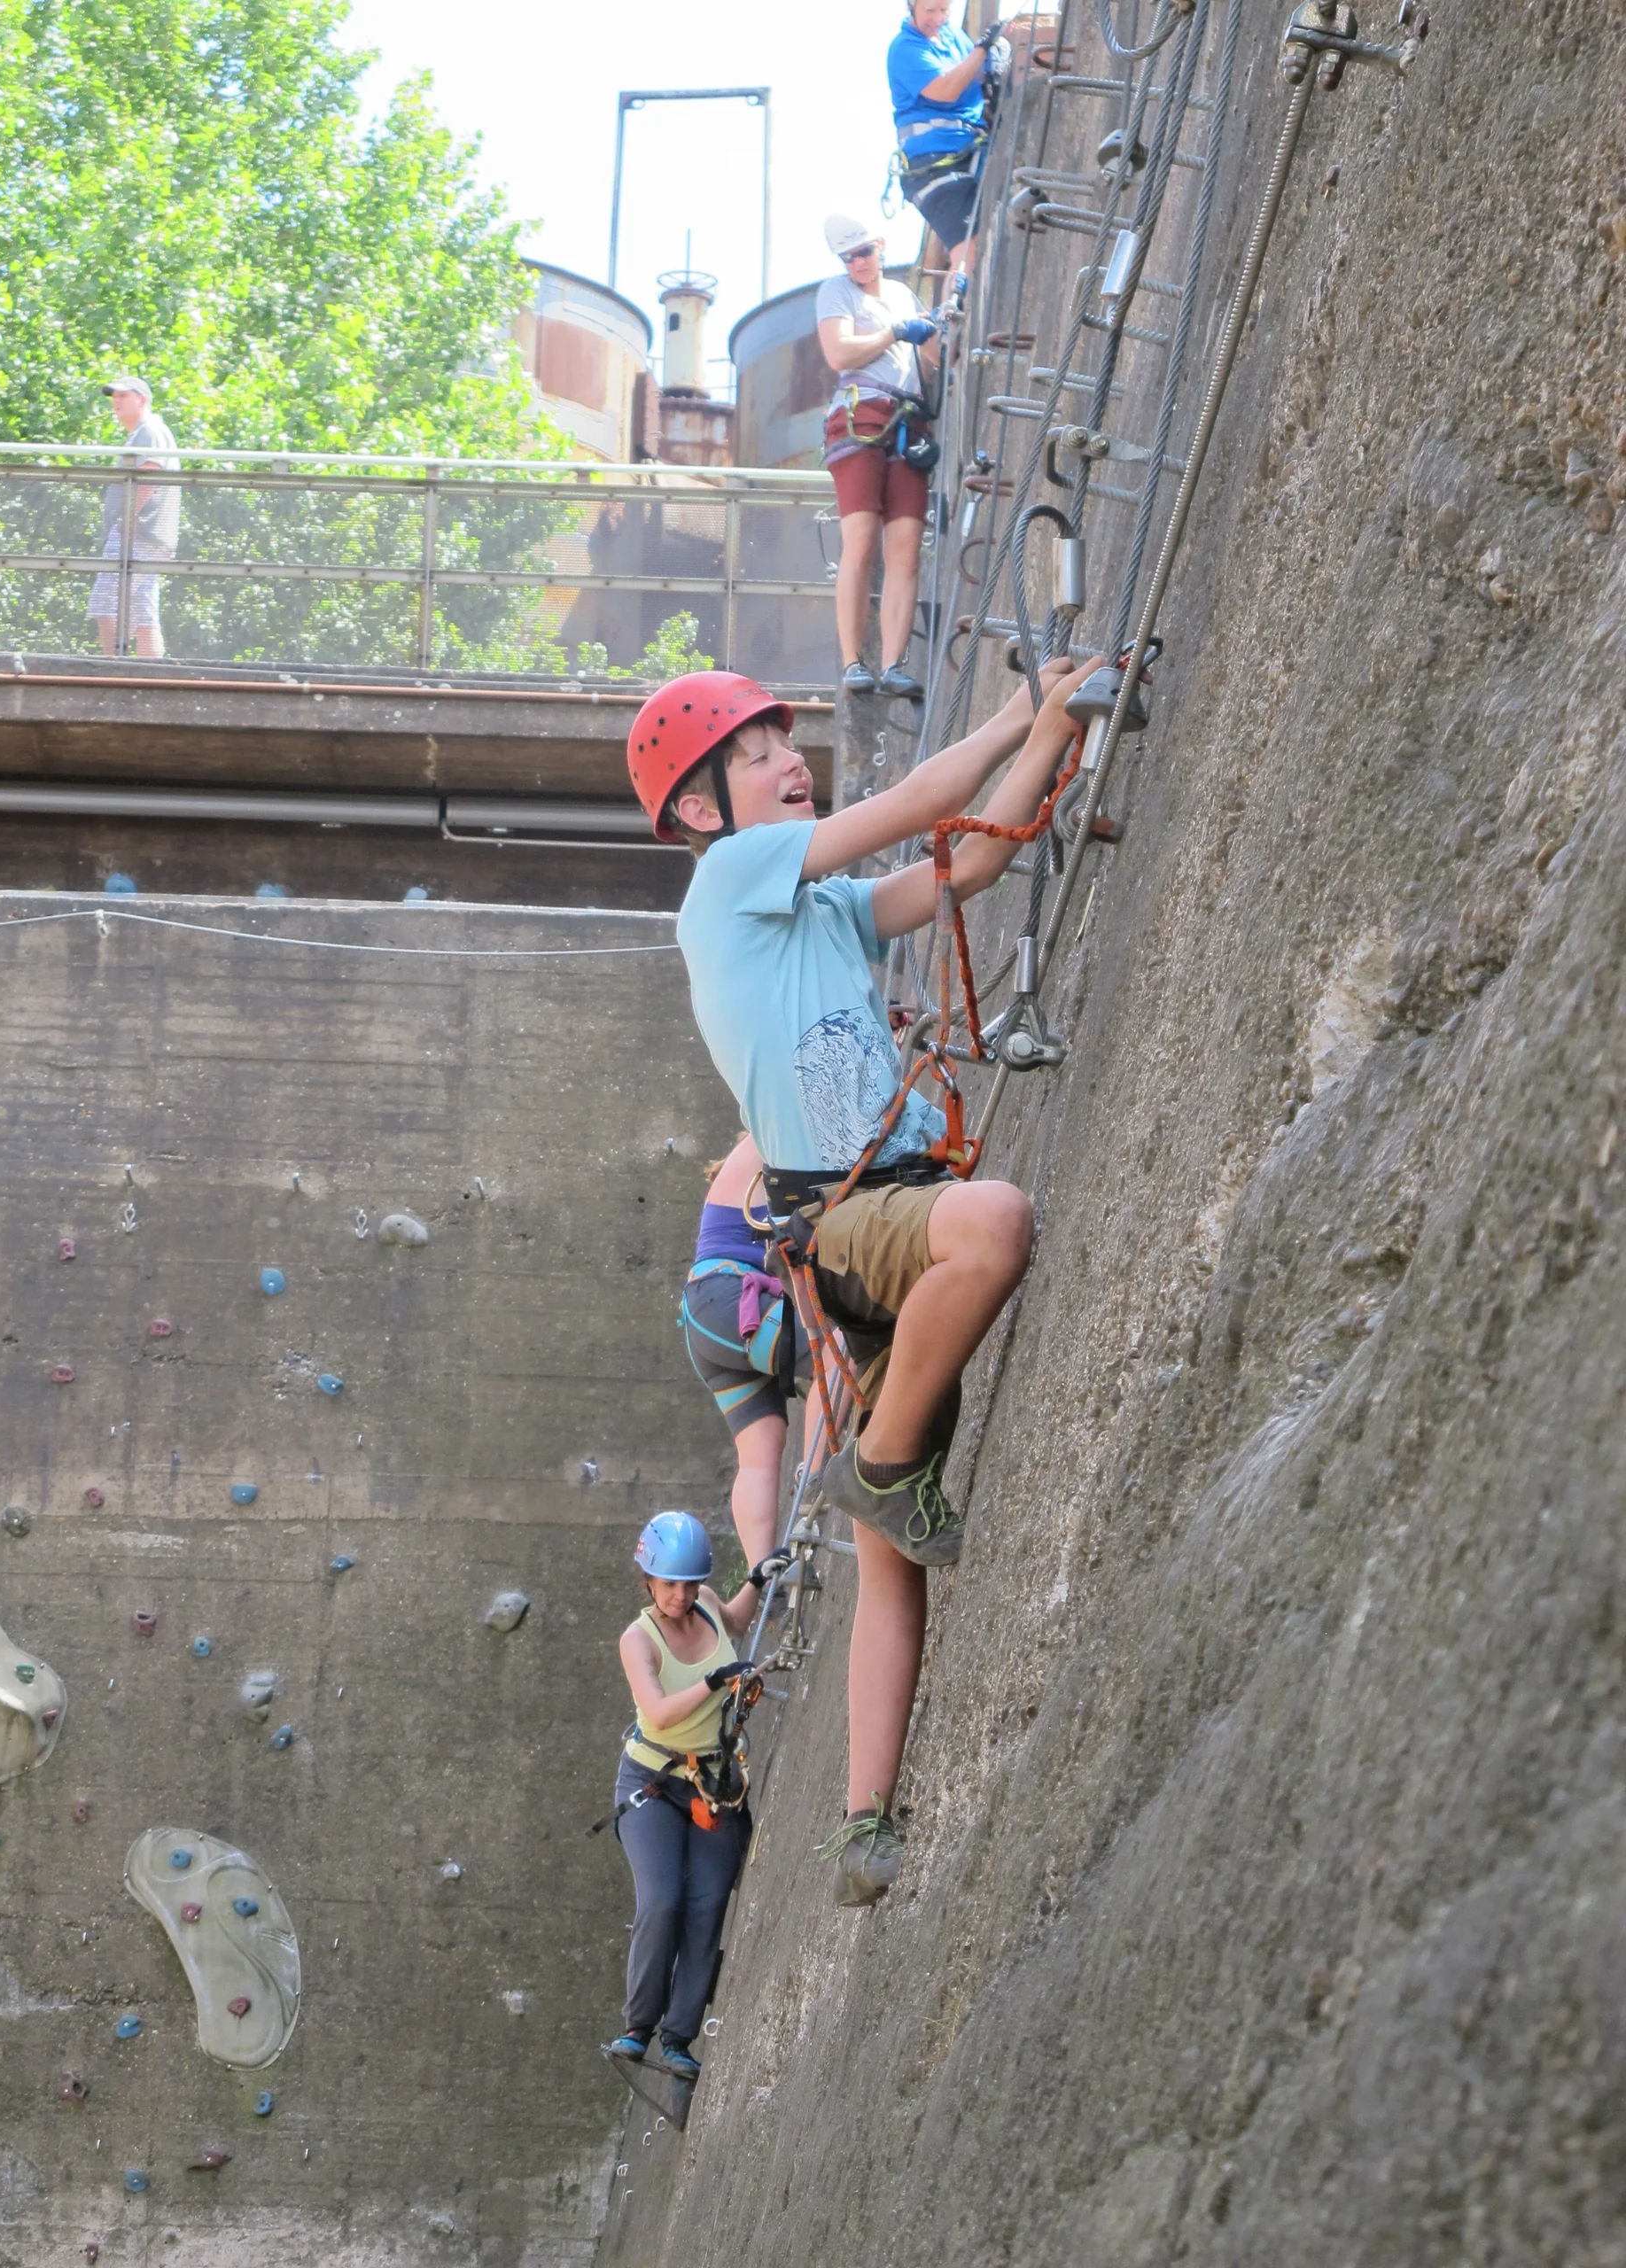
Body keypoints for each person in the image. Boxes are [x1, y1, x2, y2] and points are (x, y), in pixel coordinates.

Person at [626, 653, 1102, 1907]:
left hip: (864, 1225)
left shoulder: (814, 910)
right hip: (850, 1223)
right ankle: (885, 1465)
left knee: (889, 1556)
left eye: (790, 744)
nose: (793, 763)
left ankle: (861, 1821)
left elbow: (977, 855)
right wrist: (1023, 712)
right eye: (758, 754)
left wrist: (1059, 735)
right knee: (993, 1221)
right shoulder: (728, 883)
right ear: (697, 811)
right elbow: (923, 807)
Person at [606, 1512, 790, 2080]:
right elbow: (658, 1712)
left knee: (709, 1904)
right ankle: (639, 2027)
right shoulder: (638, 1640)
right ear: (648, 1580)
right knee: (663, 1900)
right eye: (670, 1585)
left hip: (712, 1787)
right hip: (653, 1784)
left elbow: (735, 1618)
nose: (682, 1596)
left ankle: (680, 2038)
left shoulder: (706, 1600)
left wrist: (757, 1579)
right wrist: (713, 1683)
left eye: (689, 1583)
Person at [815, 215, 939, 701]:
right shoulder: (837, 293)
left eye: (864, 253)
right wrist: (894, 333)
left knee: (905, 547)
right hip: (860, 414)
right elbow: (839, 354)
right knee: (862, 539)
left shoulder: (905, 295)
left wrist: (935, 330)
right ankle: (853, 661)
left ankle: (893, 664)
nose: (858, 264)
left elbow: (931, 354)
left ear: (881, 246)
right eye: (849, 258)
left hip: (908, 418)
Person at [680, 1132, 818, 1566]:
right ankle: (815, 1478)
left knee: (759, 1454)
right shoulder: (768, 1136)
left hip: (711, 1314)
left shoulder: (753, 1161)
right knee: (837, 1353)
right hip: (729, 1300)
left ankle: (765, 1577)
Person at [887, 2, 1003, 294]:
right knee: (968, 249)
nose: (938, 19)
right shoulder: (905, 49)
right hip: (933, 165)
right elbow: (945, 90)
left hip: (971, 147)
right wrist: (982, 50)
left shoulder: (953, 37)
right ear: (912, 6)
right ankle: (954, 314)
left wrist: (996, 55)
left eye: (944, 10)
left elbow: (978, 71)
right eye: (930, 11)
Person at [87, 376, 180, 659]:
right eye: (113, 396)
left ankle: (114, 672)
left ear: (142, 399)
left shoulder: (149, 430)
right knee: (142, 612)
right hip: (150, 535)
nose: (116, 401)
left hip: (138, 533)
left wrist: (126, 519)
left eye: (123, 396)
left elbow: (150, 473)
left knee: (105, 602)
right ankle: (151, 676)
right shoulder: (146, 432)